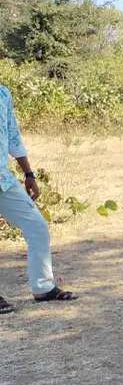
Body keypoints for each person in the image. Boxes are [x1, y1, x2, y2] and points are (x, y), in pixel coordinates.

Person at [0, 85, 76, 313]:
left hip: (3, 178)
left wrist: (29, 173)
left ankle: (43, 287)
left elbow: (13, 134)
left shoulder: (3, 93)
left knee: (37, 226)